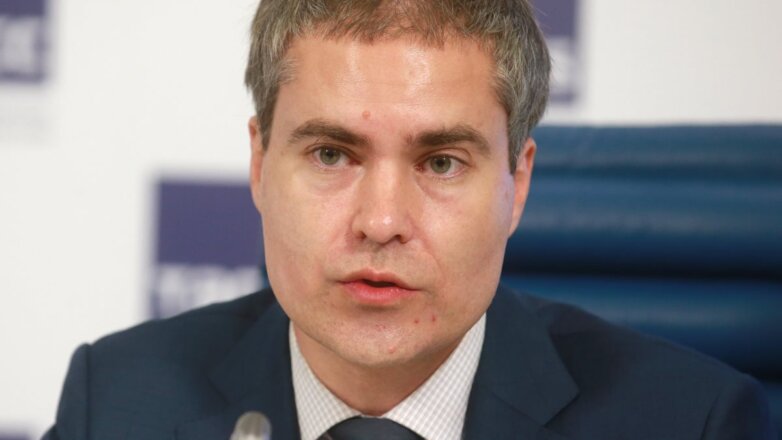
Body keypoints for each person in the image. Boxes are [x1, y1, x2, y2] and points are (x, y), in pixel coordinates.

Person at [44, 1, 776, 439]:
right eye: (332, 154)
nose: (382, 220)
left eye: (441, 162)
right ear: (260, 163)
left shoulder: (693, 422)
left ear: (518, 184)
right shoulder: (114, 405)